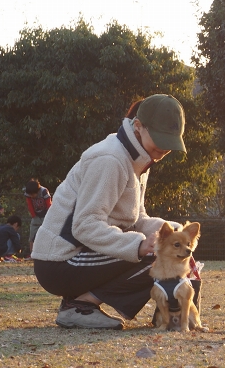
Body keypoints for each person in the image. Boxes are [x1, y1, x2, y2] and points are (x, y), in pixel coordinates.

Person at [32, 94, 187, 330]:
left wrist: (171, 231)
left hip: (78, 255)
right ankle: (80, 306)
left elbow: (137, 218)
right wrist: (138, 245)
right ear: (138, 126)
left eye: (170, 142)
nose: (164, 149)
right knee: (158, 255)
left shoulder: (140, 158)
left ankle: (84, 303)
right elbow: (85, 225)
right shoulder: (111, 159)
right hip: (58, 260)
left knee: (170, 247)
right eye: (159, 139)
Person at [24, 178, 51, 254]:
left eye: (32, 194)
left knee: (47, 234)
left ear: (37, 191)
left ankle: (47, 253)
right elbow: (29, 205)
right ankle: (32, 254)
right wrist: (33, 216)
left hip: (46, 216)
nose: (31, 196)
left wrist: (49, 217)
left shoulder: (44, 191)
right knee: (32, 235)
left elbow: (49, 205)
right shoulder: (28, 193)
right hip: (36, 216)